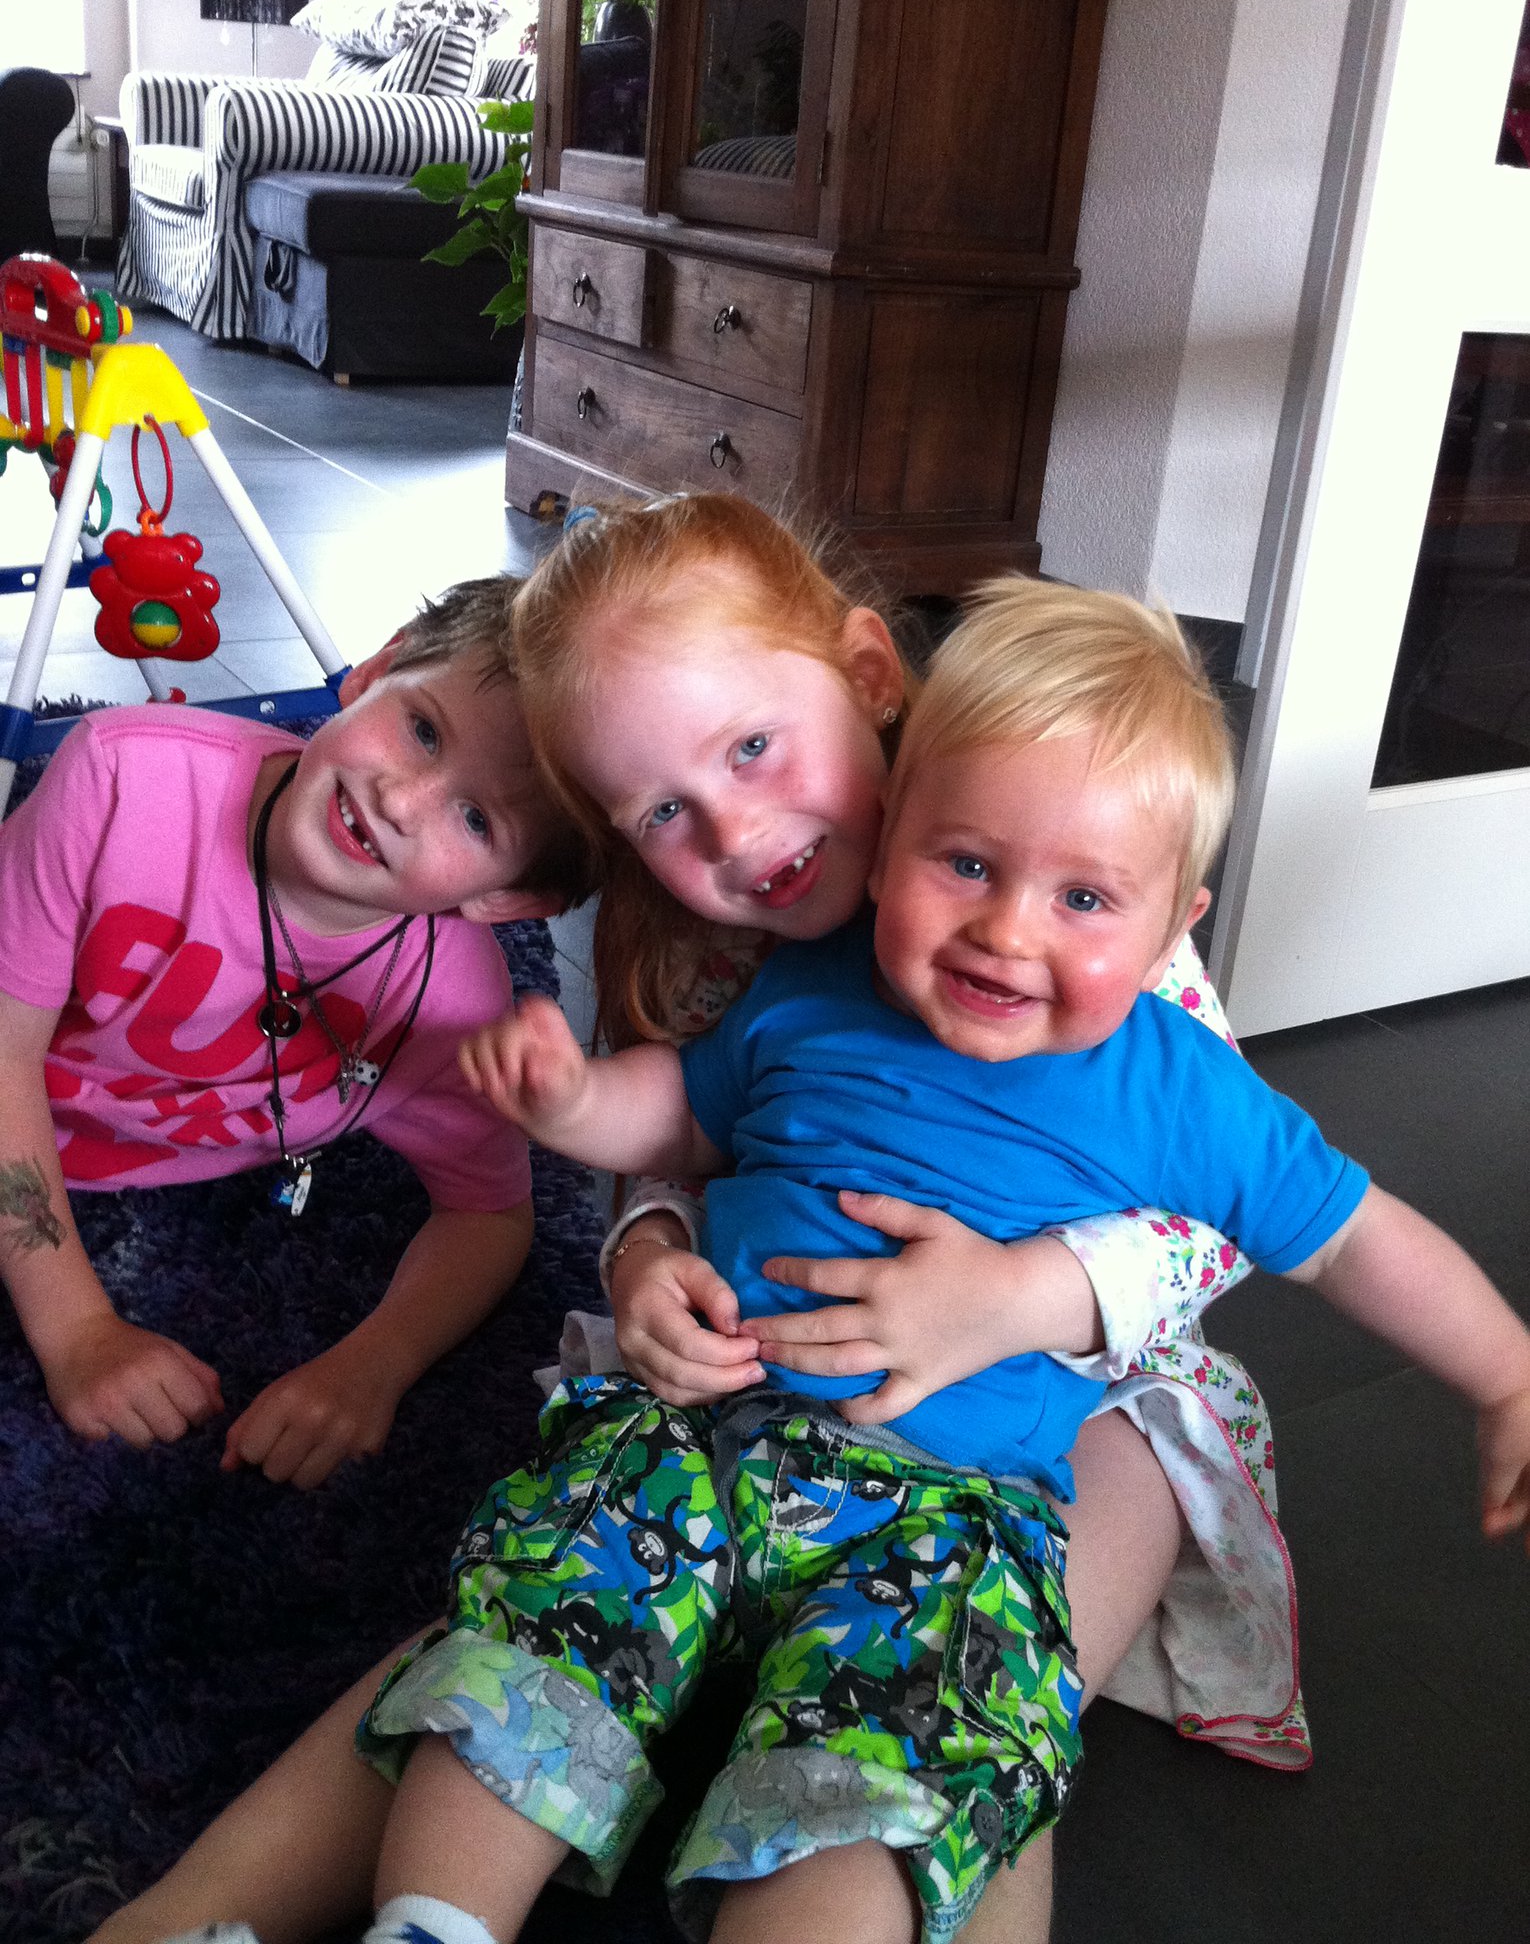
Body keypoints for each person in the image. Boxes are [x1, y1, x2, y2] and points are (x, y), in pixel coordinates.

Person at [88, 500, 1298, 1944]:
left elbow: (1224, 1215)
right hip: (754, 1378)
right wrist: (648, 1252)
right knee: (532, 1612)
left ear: (867, 675)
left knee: (970, 1711)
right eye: (660, 813)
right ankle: (191, 1914)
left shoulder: (1045, 859)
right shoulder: (707, 940)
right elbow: (674, 1142)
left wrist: (1018, 1296)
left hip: (1054, 1401)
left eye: (754, 746)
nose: (733, 828)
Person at [363, 571, 1530, 1944]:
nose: (1007, 929)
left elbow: (1354, 1243)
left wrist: (1505, 1373)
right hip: (689, 1434)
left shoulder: (1180, 1086)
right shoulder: (807, 985)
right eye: (964, 864)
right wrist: (572, 1102)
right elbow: (680, 1112)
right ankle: (429, 1922)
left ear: (1174, 922)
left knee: (881, 1780)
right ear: (890, 837)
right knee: (530, 1638)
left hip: (949, 1511)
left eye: (1083, 897)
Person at [0, 578, 594, 1490]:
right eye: (423, 730)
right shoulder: (120, 778)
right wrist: (78, 1328)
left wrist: (371, 1366)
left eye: (476, 819)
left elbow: (489, 1214)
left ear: (508, 899)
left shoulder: (450, 1006)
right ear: (380, 667)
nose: (402, 799)